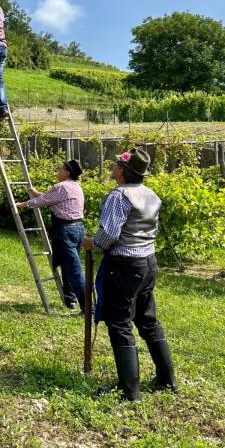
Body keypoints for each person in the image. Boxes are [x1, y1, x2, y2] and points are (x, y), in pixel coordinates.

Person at [82, 148, 177, 401]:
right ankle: (167, 379)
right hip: (147, 262)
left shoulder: (119, 196)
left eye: (116, 165)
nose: (113, 168)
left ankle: (130, 390)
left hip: (124, 265)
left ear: (122, 171)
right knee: (147, 320)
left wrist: (92, 243)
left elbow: (110, 234)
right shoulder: (150, 194)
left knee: (120, 323)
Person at [16, 159, 86, 311]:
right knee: (68, 264)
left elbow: (42, 201)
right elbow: (53, 199)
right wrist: (36, 193)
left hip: (66, 229)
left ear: (67, 172)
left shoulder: (61, 187)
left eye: (61, 169)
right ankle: (71, 298)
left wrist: (22, 205)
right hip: (78, 229)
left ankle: (88, 308)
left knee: (74, 269)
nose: (58, 171)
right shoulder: (76, 186)